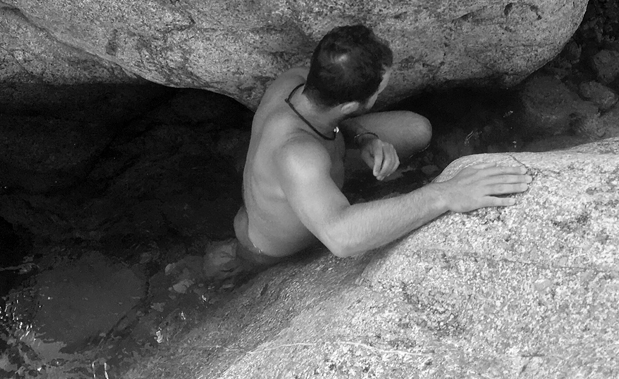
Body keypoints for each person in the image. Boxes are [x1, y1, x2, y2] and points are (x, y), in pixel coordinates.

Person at [204, 24, 532, 281]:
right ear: (350, 106)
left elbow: (327, 119)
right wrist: (444, 194)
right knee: (231, 269)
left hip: (310, 169)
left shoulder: (297, 81)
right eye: (380, 91)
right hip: (262, 249)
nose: (382, 94)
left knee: (416, 130)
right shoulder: (298, 156)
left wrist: (365, 137)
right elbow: (341, 237)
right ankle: (227, 263)